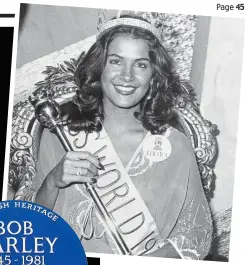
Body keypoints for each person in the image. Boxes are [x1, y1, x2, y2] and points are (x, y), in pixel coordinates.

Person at [14, 13, 213, 259]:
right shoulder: (61, 137)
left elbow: (197, 233)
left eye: (140, 64)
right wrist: (53, 181)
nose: (127, 76)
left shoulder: (175, 146)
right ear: (99, 68)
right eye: (116, 61)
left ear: (153, 75)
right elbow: (26, 227)